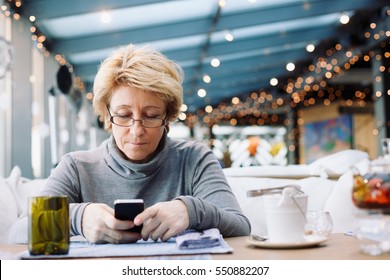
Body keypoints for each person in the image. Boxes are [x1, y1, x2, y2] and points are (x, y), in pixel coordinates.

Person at [11, 44, 251, 244]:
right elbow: (17, 232)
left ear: (168, 117)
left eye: (151, 116)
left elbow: (240, 226)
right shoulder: (77, 166)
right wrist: (79, 218)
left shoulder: (194, 158)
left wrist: (191, 211)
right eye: (124, 115)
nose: (137, 131)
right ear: (107, 114)